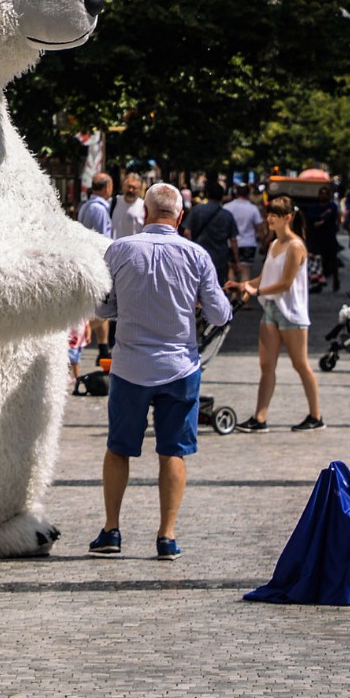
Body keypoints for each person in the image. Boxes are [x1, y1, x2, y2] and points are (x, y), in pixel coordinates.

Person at [89, 182, 232, 560]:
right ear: (180, 216)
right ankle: (166, 536)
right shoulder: (196, 256)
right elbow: (219, 314)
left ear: (146, 214)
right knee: (173, 452)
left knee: (118, 448)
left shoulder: (118, 251)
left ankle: (111, 530)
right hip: (179, 367)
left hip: (130, 365)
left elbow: (103, 309)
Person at [233, 196, 324, 432]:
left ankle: (316, 416)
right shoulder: (274, 244)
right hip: (271, 309)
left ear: (288, 218)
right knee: (266, 366)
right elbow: (265, 278)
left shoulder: (295, 246)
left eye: (274, 214)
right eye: (268, 214)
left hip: (291, 312)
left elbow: (285, 283)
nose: (269, 218)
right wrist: (243, 286)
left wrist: (256, 290)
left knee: (300, 364)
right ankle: (259, 417)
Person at [182, 176, 239, 283]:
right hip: (220, 259)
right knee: (218, 287)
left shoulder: (196, 211)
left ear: (207, 195)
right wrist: (236, 260)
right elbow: (233, 240)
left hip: (198, 257)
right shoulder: (227, 215)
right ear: (222, 196)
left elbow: (187, 232)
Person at [225, 184, 265, 280]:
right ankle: (244, 294)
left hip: (230, 243)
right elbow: (259, 228)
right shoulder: (253, 209)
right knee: (245, 271)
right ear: (248, 194)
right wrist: (263, 242)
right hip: (248, 243)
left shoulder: (227, 207)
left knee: (231, 269)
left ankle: (232, 293)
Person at [110, 173, 146, 240]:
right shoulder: (114, 202)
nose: (130, 190)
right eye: (128, 187)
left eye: (134, 188)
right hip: (116, 248)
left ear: (139, 190)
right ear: (123, 187)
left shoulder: (144, 207)